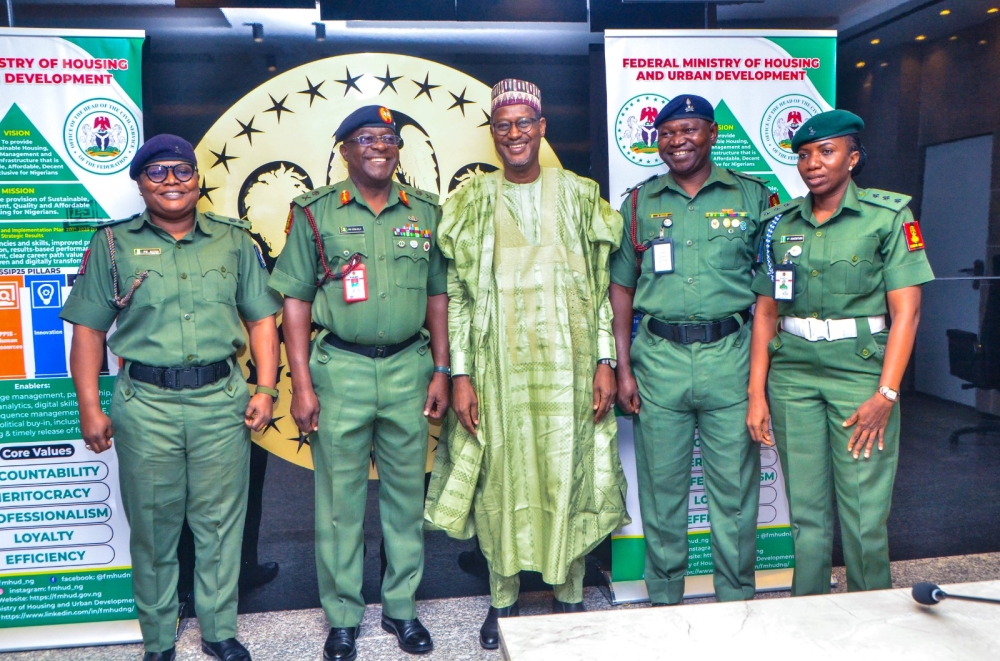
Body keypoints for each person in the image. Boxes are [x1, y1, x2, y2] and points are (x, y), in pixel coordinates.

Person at [424, 78, 629, 650]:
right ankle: (504, 603)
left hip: (571, 367)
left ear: (542, 128)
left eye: (524, 123)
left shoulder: (581, 194)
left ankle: (568, 599)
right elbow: (459, 294)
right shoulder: (472, 200)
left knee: (569, 474)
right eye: (503, 125)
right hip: (496, 370)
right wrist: (460, 373)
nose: (514, 134)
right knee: (501, 482)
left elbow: (598, 287)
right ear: (493, 135)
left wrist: (606, 361)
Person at [61, 135, 281, 661]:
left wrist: (267, 388)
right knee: (154, 529)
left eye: (181, 171)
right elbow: (89, 331)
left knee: (220, 526)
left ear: (197, 178)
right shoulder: (112, 245)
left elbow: (261, 319)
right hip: (146, 406)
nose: (171, 182)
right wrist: (90, 406)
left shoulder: (233, 241)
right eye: (156, 173)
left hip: (220, 401)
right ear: (139, 183)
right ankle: (159, 641)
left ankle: (219, 631)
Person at [269, 105, 449, 661]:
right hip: (339, 369)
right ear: (344, 149)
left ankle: (402, 610)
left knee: (403, 500)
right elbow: (295, 300)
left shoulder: (425, 212)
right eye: (366, 138)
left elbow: (439, 295)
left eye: (389, 138)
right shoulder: (315, 212)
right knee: (340, 504)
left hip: (408, 368)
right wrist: (299, 383)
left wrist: (441, 368)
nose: (380, 146)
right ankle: (343, 616)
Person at [747, 110, 933, 595]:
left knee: (863, 511)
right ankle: (808, 611)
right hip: (792, 376)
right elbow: (765, 313)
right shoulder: (779, 223)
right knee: (805, 514)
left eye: (826, 152)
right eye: (804, 154)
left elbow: (906, 313)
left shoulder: (889, 217)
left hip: (860, 376)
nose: (813, 163)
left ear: (852, 158)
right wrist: (756, 394)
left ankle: (872, 618)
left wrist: (886, 394)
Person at [609, 95, 772, 606]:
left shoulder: (752, 197)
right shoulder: (639, 203)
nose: (677, 140)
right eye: (667, 132)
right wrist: (623, 367)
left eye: (689, 129)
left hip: (731, 357)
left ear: (712, 133)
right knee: (661, 493)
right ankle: (663, 598)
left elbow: (769, 292)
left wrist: (758, 380)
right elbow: (621, 290)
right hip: (659, 360)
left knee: (736, 495)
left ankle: (737, 598)